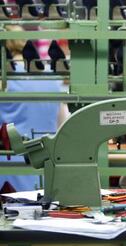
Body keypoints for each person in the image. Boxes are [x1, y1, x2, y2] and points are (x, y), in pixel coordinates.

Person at [0, 25, 69, 192]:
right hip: (46, 161)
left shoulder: (4, 79)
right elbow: (63, 123)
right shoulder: (52, 76)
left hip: (9, 165)